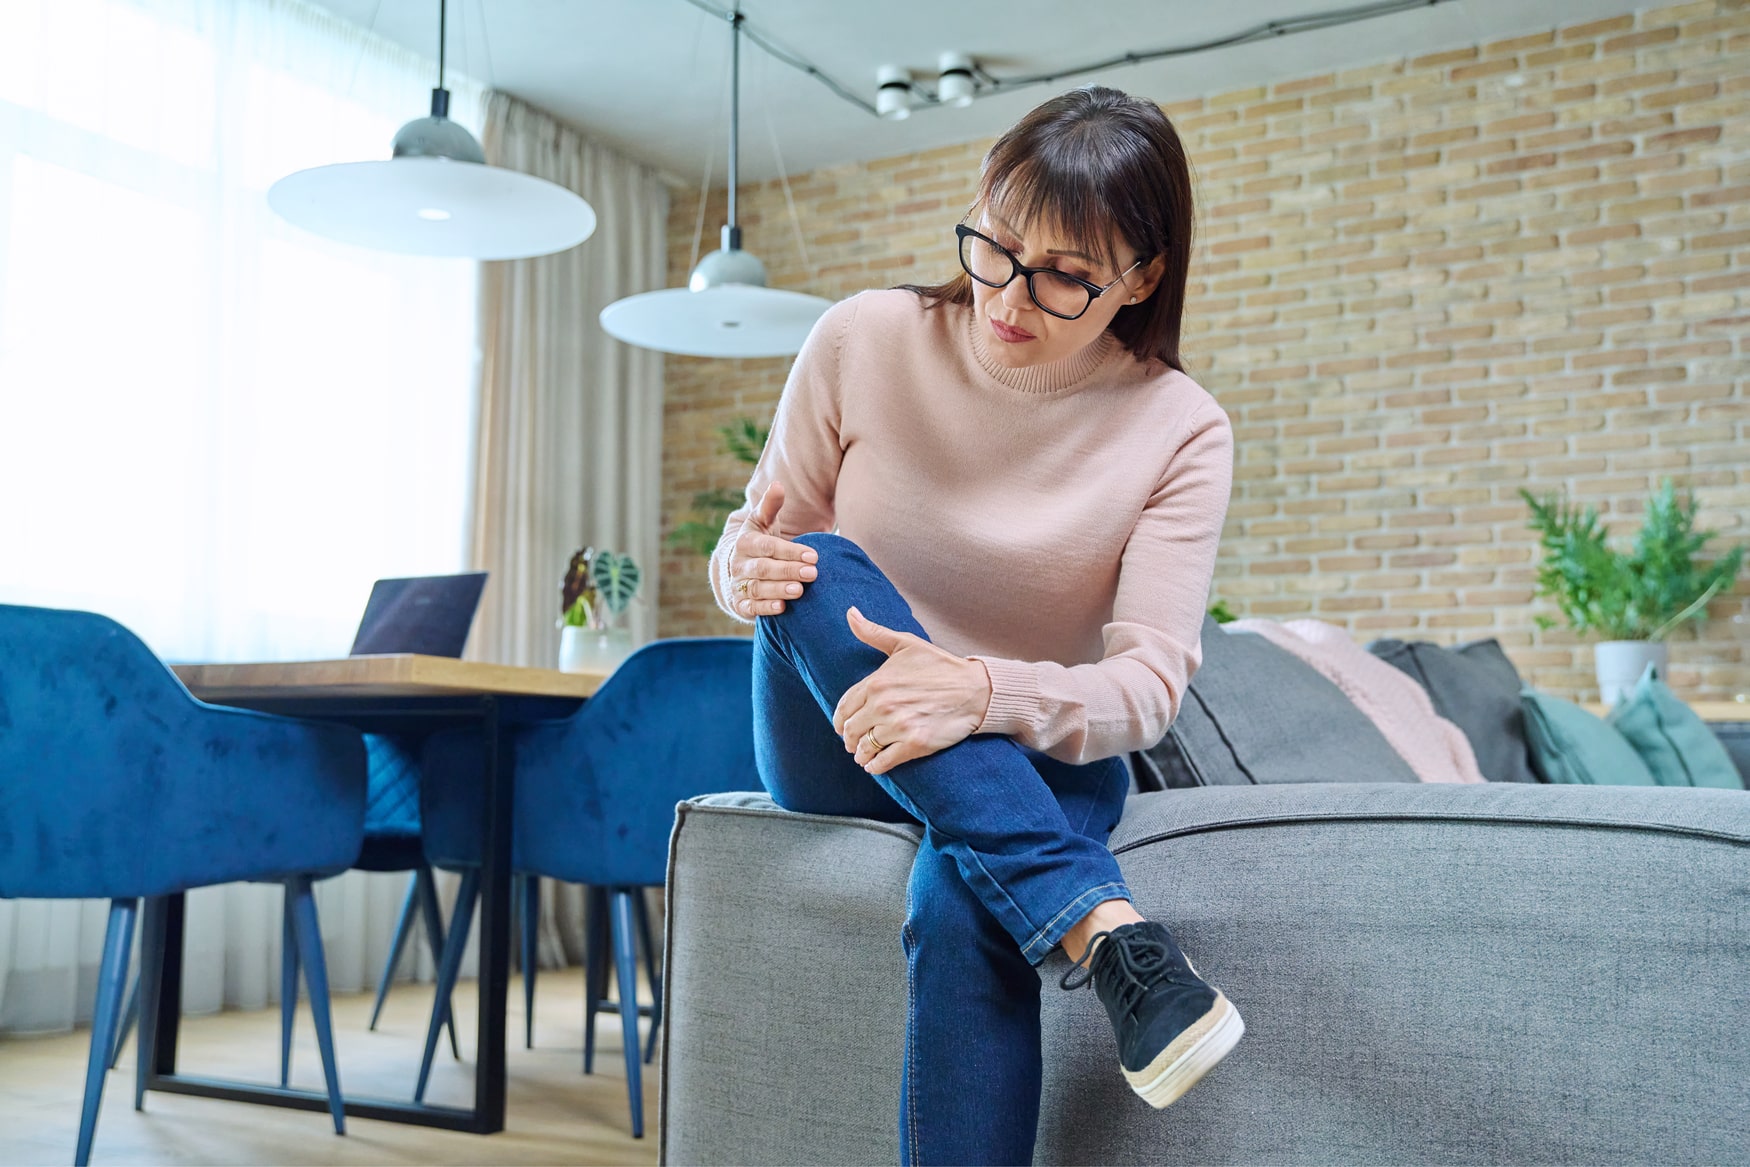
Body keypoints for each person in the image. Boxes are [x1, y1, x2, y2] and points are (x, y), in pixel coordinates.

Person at [710, 85, 1241, 1166]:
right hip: (839, 737)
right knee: (822, 566)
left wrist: (980, 692)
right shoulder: (862, 337)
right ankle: (1103, 928)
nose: (1009, 295)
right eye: (996, 246)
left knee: (964, 901)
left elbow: (1147, 687)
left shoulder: (1180, 428)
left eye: (1064, 276)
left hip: (1025, 744)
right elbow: (765, 539)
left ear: (1142, 277)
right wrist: (737, 567)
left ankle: (1067, 910)